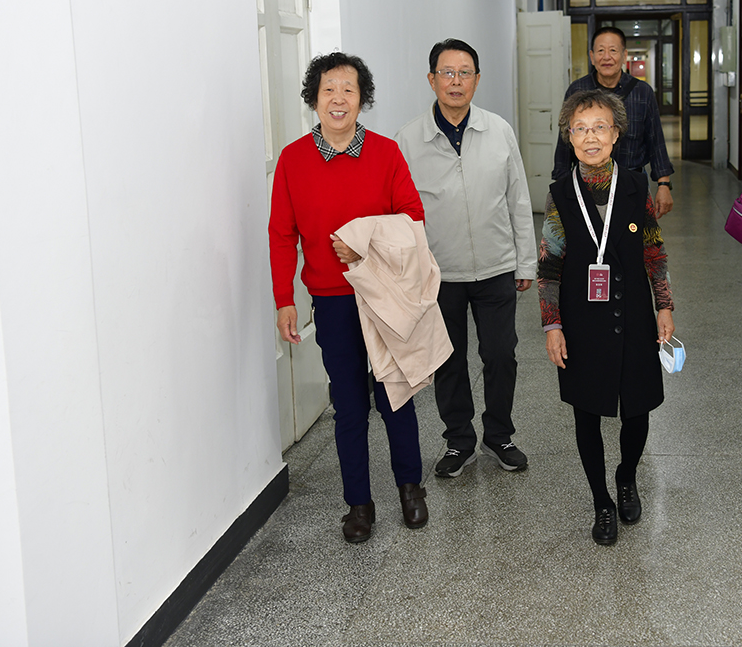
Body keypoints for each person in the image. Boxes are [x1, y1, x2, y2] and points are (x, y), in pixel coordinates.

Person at [269, 52, 429, 544]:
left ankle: (410, 487)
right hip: (332, 299)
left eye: (349, 90)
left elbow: (413, 218)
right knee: (350, 406)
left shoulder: (385, 153)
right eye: (328, 90)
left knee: (396, 394)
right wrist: (284, 298)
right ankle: (359, 504)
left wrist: (363, 241)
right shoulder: (293, 160)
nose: (338, 99)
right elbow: (281, 234)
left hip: (383, 294)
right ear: (314, 98)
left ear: (362, 99)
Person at [539, 88, 675, 546]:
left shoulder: (636, 187)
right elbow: (549, 267)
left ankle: (626, 475)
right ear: (569, 137)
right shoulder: (559, 194)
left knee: (638, 409)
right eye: (580, 129)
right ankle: (601, 500)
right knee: (587, 413)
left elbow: (654, 252)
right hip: (582, 321)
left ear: (616, 134)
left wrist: (664, 306)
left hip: (634, 314)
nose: (590, 137)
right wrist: (552, 326)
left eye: (600, 127)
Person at [395, 39, 537, 478]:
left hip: (496, 266)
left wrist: (525, 261)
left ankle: (499, 435)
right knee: (448, 361)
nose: (455, 81)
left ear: (477, 79)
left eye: (465, 73)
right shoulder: (409, 139)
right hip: (439, 273)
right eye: (447, 72)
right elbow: (399, 214)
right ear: (431, 79)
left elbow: (518, 198)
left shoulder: (499, 130)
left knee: (501, 354)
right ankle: (459, 440)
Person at [553, 27, 675, 218]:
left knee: (635, 234)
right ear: (592, 57)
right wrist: (561, 185)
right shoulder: (577, 90)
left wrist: (664, 184)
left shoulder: (642, 92)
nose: (606, 57)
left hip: (633, 183)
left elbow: (655, 140)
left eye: (613, 50)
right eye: (600, 51)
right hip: (587, 184)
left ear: (624, 55)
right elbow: (565, 141)